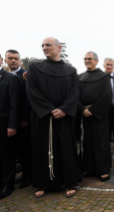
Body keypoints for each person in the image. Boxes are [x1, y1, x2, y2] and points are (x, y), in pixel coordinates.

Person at [26, 37, 82, 198]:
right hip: (42, 117)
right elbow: (32, 91)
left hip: (63, 118)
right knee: (41, 149)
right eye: (43, 45)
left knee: (65, 149)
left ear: (59, 48)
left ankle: (69, 182)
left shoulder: (70, 71)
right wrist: (49, 109)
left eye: (48, 45)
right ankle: (42, 184)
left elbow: (74, 93)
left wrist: (64, 109)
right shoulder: (35, 67)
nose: (45, 47)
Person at [78, 52, 112, 181]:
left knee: (100, 142)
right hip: (84, 116)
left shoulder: (104, 77)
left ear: (97, 61)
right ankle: (89, 168)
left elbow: (107, 97)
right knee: (86, 142)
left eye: (90, 59)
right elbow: (74, 96)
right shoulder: (79, 77)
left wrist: (92, 110)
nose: (87, 61)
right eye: (85, 59)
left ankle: (103, 170)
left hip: (99, 116)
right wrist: (82, 109)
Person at [5, 50, 32, 189]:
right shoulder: (5, 76)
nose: (13, 60)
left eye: (16, 58)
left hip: (23, 121)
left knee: (25, 149)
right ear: (6, 60)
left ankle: (29, 175)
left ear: (20, 61)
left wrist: (24, 117)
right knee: (15, 150)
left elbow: (28, 98)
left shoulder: (26, 75)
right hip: (10, 121)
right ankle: (23, 174)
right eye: (10, 58)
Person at [0, 54, 22, 200]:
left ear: (1, 60)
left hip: (5, 125)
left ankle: (8, 185)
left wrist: (12, 125)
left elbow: (16, 104)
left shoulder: (10, 78)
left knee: (6, 157)